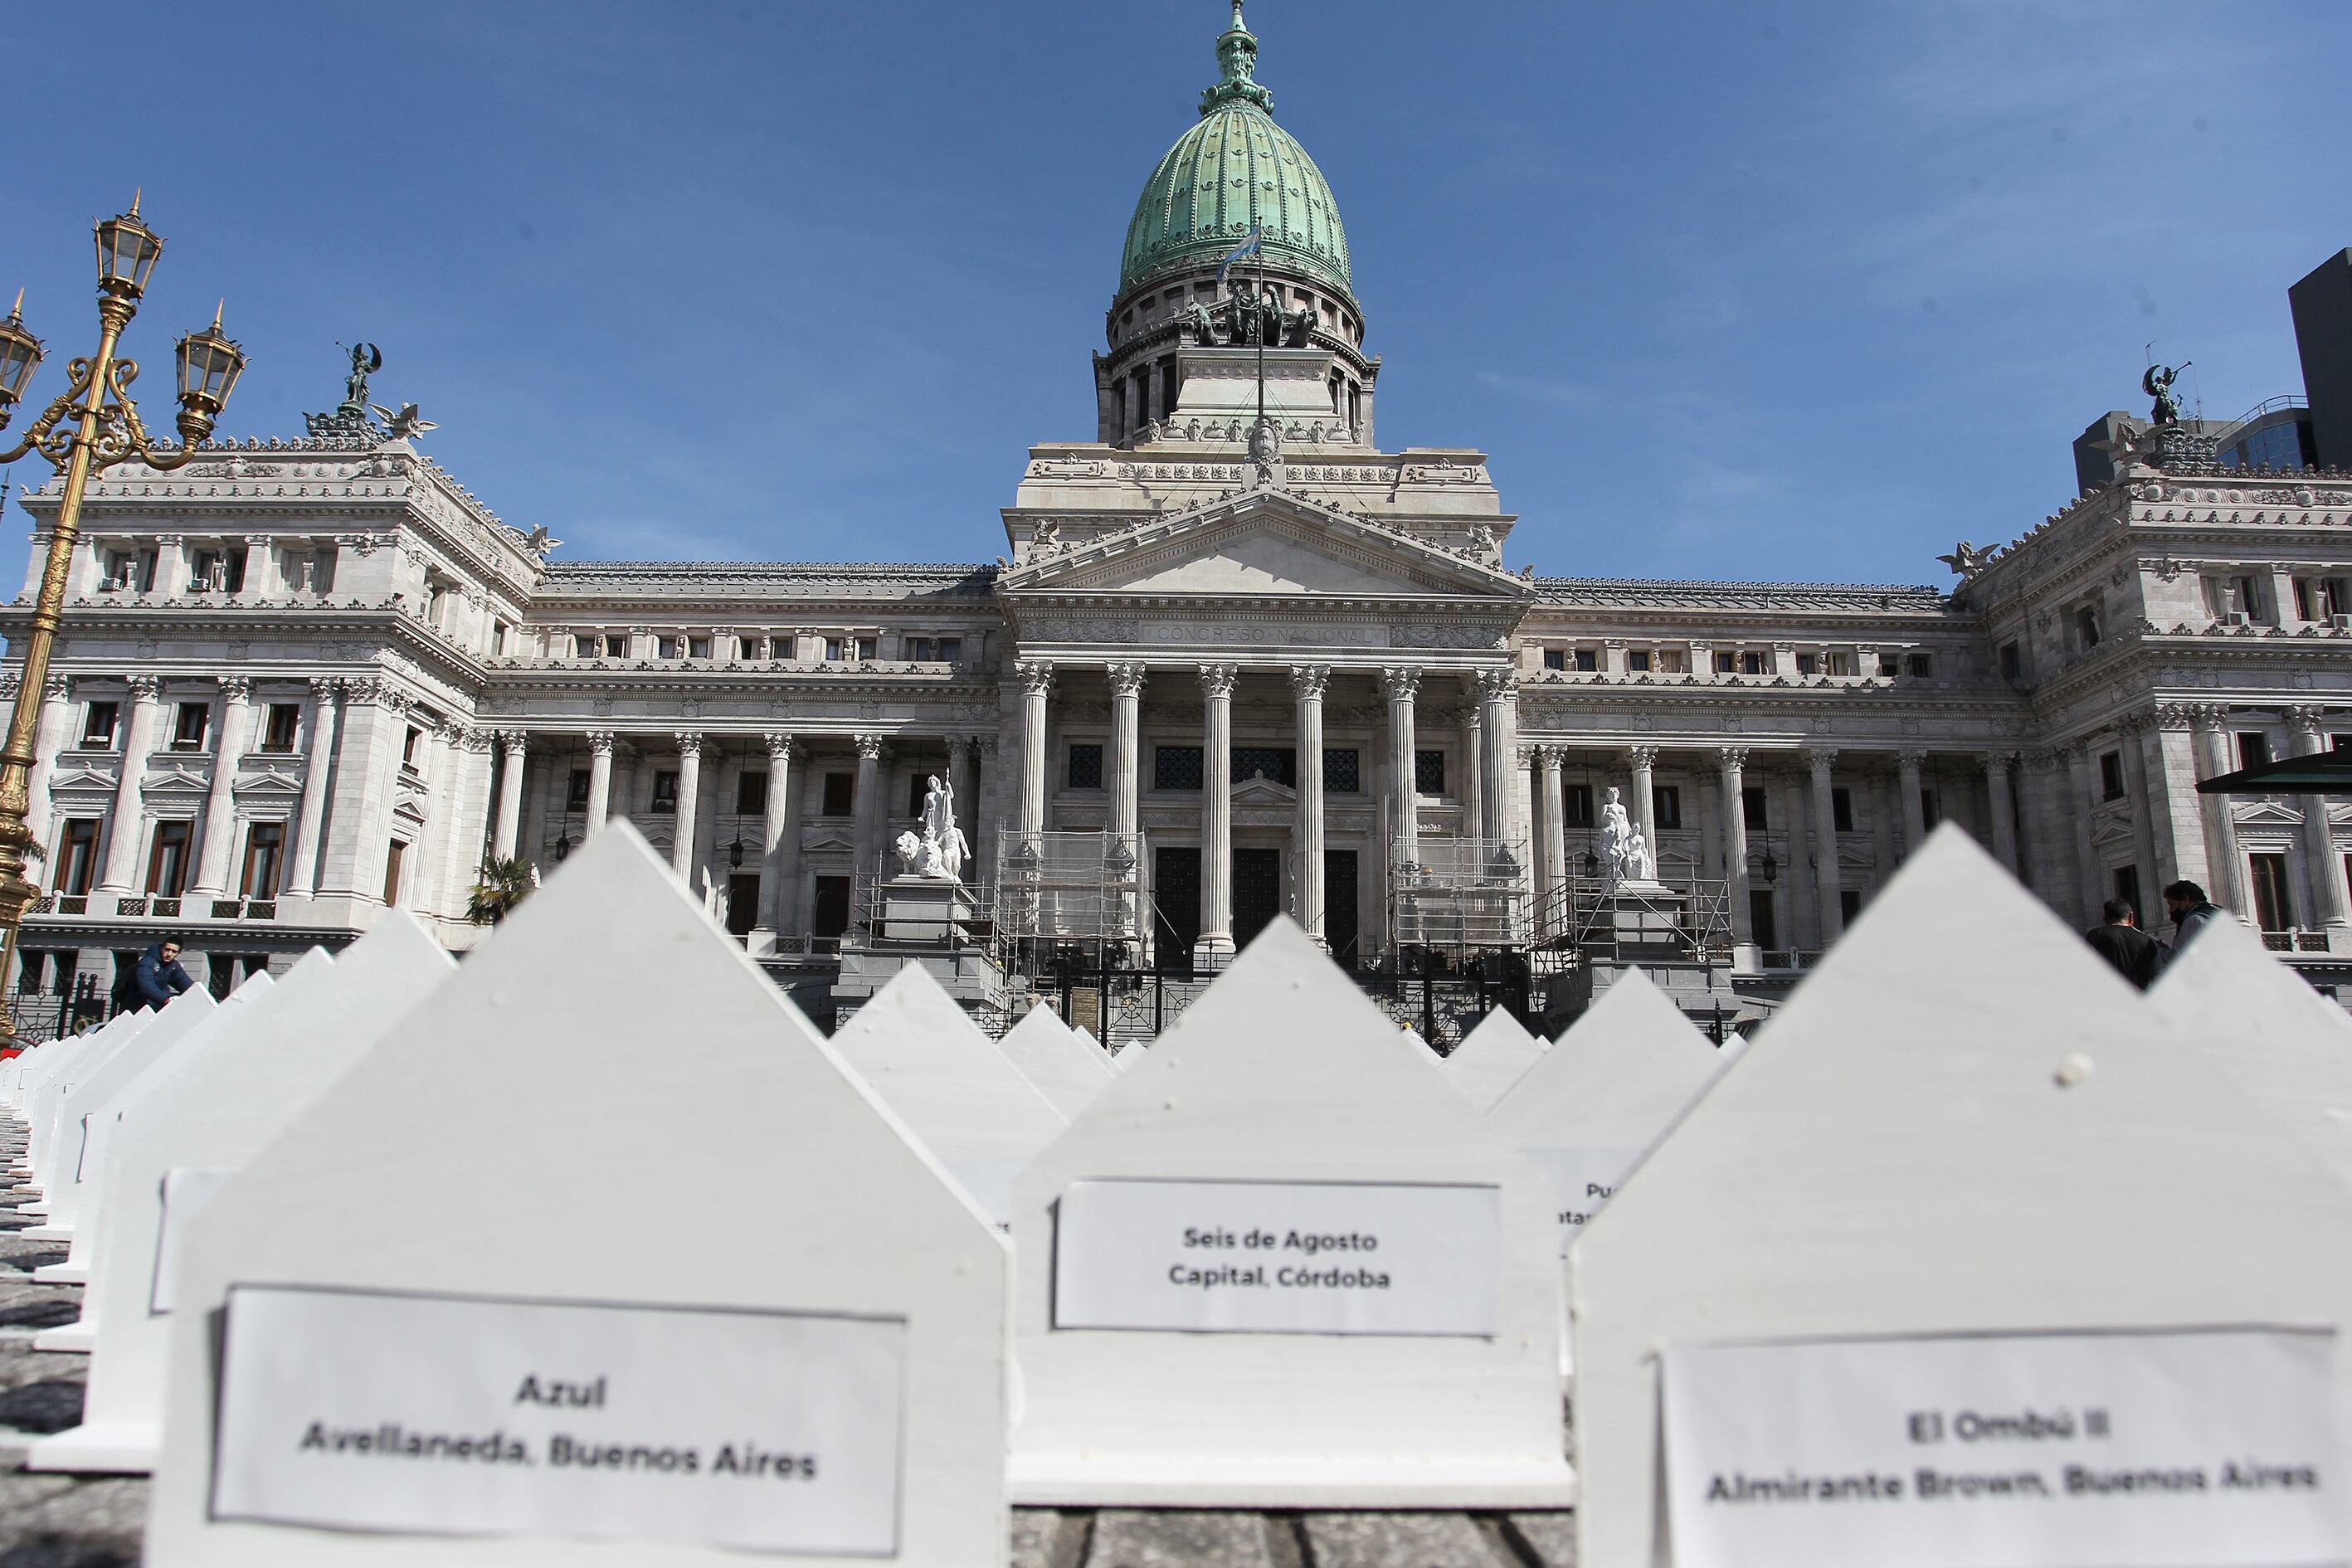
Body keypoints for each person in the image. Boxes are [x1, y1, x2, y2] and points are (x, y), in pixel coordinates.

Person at [2084, 898, 2163, 990]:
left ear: (2105, 919)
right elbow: (2156, 973)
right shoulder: (2146, 940)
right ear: (2131, 916)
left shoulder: (2095, 936)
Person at [2162, 879, 2228, 962]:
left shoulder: (2194, 920)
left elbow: (2177, 958)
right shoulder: (2219, 915)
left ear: (2186, 900)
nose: (2170, 911)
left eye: (2172, 905)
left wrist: (2160, 951)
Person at [134, 939, 195, 1009]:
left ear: (178, 953)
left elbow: (184, 982)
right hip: (136, 1002)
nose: (169, 954)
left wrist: (197, 995)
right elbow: (146, 985)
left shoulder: (173, 966)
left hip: (155, 999)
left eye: (174, 952)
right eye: (167, 950)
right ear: (162, 948)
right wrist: (166, 998)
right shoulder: (147, 962)